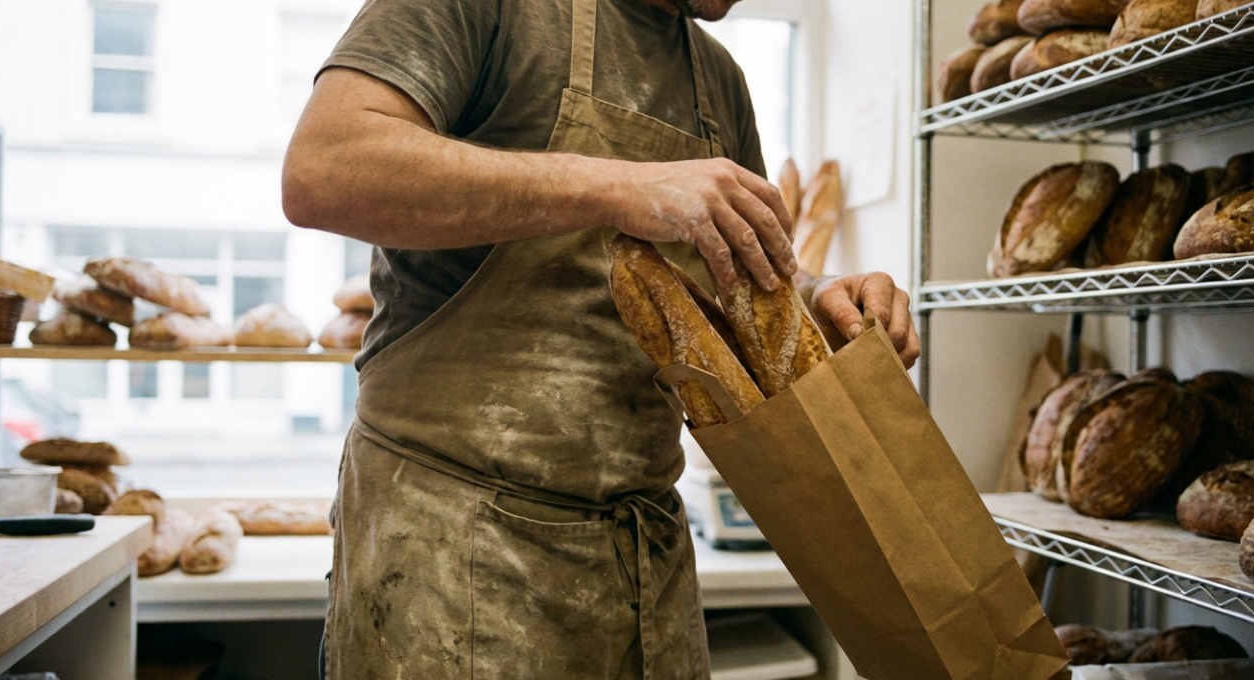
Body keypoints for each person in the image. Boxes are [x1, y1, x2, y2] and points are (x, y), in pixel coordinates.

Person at [282, 0, 919, 677]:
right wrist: (617, 186)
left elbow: (738, 279)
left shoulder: (718, 78)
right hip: (453, 553)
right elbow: (323, 169)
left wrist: (815, 301)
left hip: (644, 556)